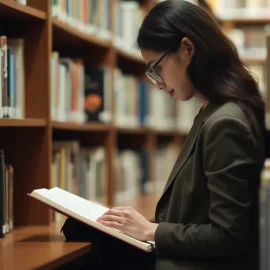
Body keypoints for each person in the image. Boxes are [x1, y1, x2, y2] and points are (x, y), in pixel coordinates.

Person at [64, 1, 266, 269]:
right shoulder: (212, 112)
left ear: (187, 48)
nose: (157, 84)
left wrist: (150, 231)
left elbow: (228, 236)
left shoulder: (225, 121)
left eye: (156, 68)